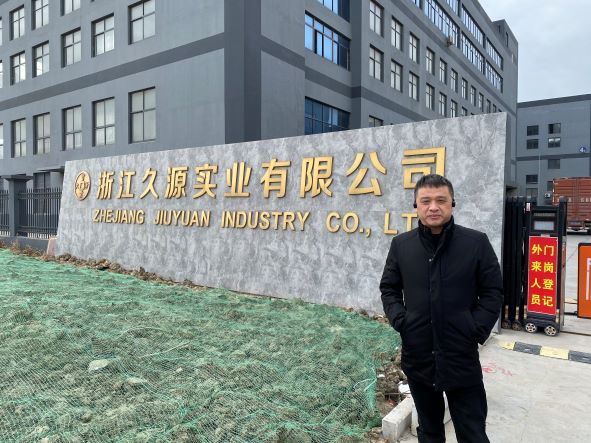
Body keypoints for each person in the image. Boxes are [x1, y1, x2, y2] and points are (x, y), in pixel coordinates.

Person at [380, 174, 503, 443]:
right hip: (419, 356)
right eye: (426, 201)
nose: (433, 207)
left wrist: (475, 327)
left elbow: (493, 291)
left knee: (472, 432)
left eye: (441, 200)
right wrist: (402, 321)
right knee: (429, 431)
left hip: (461, 356)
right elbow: (389, 288)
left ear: (452, 203)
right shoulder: (402, 245)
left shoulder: (475, 243)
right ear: (416, 205)